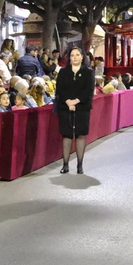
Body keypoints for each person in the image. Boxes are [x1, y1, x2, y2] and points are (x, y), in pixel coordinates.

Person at [55, 44, 95, 174]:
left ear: (82, 57)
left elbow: (88, 90)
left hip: (82, 107)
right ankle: (65, 164)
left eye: (77, 55)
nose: (75, 57)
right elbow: (60, 89)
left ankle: (79, 165)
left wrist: (76, 101)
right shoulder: (63, 72)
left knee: (80, 135)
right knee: (66, 135)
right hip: (65, 107)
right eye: (72, 55)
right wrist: (68, 102)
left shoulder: (88, 72)